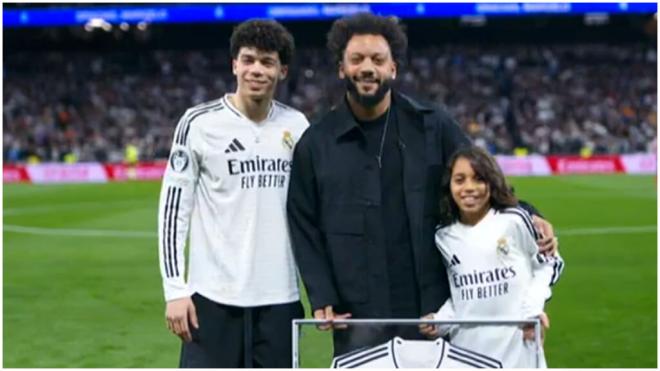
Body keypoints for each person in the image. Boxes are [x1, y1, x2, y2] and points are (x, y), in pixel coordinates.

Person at [286, 12, 559, 357]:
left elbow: (482, 180)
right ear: (342, 68)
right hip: (356, 314)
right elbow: (302, 223)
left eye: (378, 59)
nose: (367, 67)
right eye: (356, 59)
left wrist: (530, 216)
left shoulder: (434, 126)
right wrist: (321, 294)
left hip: (432, 309)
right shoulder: (315, 144)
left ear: (393, 68)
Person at [157, 19, 309, 368]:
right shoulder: (199, 123)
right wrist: (175, 290)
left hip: (279, 300)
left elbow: (312, 214)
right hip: (211, 300)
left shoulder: (297, 127)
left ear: (282, 71)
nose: (257, 69)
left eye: (267, 62)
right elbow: (173, 210)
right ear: (234, 65)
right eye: (249, 59)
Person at [419, 146, 565, 368]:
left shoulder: (514, 220)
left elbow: (550, 264)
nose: (469, 188)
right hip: (467, 354)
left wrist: (533, 310)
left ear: (492, 182)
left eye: (478, 179)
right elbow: (463, 297)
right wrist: (440, 322)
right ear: (449, 186)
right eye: (460, 180)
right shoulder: (444, 236)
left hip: (517, 352)